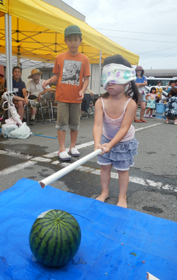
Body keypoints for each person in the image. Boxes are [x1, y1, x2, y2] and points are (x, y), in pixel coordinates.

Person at [93, 54, 139, 208]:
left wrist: (111, 145)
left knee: (122, 170)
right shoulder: (100, 101)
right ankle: (104, 192)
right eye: (107, 81)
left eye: (114, 81)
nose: (109, 85)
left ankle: (122, 197)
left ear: (126, 81)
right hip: (106, 139)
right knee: (105, 167)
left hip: (123, 141)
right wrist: (97, 144)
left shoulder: (130, 104)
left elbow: (124, 128)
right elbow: (98, 125)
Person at [42, 25, 90, 161]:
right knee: (61, 123)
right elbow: (57, 76)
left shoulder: (85, 59)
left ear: (81, 41)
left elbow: (86, 79)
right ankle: (62, 149)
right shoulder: (60, 57)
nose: (73, 42)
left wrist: (82, 89)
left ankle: (72, 146)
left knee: (75, 124)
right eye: (70, 40)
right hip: (62, 96)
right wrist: (48, 81)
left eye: (76, 39)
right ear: (65, 41)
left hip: (77, 97)